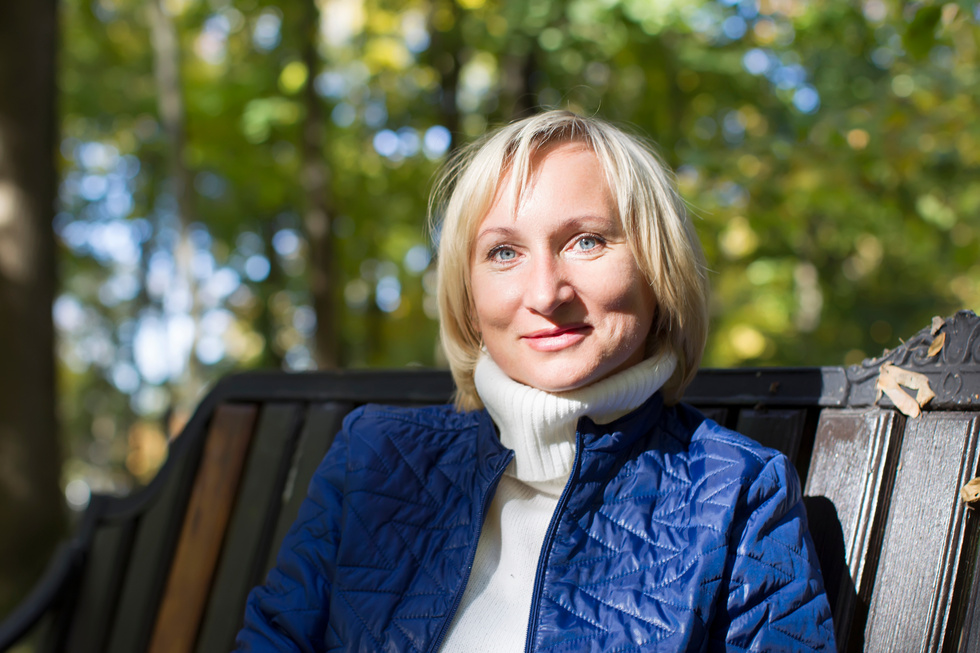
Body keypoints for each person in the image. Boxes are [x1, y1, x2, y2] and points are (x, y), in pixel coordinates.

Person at [234, 110, 835, 652]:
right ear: (468, 299)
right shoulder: (374, 456)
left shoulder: (738, 491)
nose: (546, 293)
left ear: (658, 267)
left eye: (587, 241)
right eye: (503, 253)